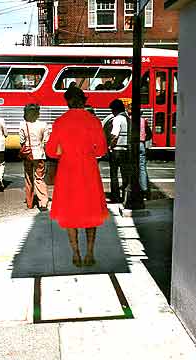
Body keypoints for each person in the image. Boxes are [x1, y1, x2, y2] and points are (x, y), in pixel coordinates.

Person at [46, 87, 108, 267]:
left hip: (67, 172)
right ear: (83, 101)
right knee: (91, 212)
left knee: (69, 213)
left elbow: (51, 150)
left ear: (67, 102)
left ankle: (75, 253)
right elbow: (102, 150)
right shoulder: (93, 121)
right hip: (88, 170)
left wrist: (63, 151)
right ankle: (90, 253)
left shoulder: (60, 122)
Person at [19, 103, 50, 210]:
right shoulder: (43, 125)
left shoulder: (23, 125)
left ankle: (30, 203)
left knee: (28, 178)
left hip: (28, 155)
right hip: (39, 155)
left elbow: (22, 141)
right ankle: (43, 202)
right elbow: (46, 141)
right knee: (39, 178)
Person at [104, 99, 130, 203]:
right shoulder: (128, 118)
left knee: (114, 174)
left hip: (117, 150)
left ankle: (115, 196)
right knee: (125, 174)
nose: (112, 112)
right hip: (126, 149)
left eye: (112, 110)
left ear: (115, 109)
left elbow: (115, 134)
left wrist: (110, 146)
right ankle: (125, 195)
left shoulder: (117, 119)